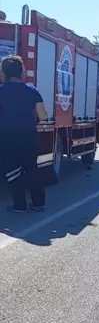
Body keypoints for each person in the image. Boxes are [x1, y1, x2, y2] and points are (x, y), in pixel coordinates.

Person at [0, 55, 48, 213]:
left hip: (7, 139)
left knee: (13, 171)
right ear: (21, 72)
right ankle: (38, 202)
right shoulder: (31, 91)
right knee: (32, 169)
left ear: (3, 73)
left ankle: (19, 204)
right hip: (29, 137)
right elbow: (43, 116)